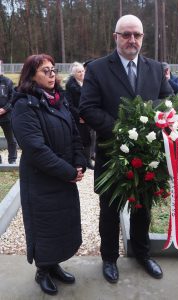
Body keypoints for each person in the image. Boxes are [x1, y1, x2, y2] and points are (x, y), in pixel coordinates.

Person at [79, 14, 173, 284]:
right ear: (115, 37)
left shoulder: (155, 68)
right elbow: (87, 108)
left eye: (137, 35)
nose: (132, 39)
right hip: (112, 155)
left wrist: (154, 127)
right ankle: (109, 259)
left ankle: (143, 254)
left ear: (143, 37)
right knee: (109, 210)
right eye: (126, 34)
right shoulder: (97, 69)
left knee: (143, 209)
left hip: (146, 157)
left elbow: (166, 101)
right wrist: (123, 129)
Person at [11, 54, 86, 296]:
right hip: (41, 180)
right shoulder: (24, 104)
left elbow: (75, 134)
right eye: (45, 71)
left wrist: (79, 162)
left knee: (62, 224)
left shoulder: (58, 100)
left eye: (53, 70)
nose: (52, 74)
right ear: (31, 74)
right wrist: (68, 172)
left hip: (63, 177)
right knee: (45, 227)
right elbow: (36, 149)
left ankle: (54, 264)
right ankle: (43, 270)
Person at [66, 62, 94, 169]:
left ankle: (88, 160)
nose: (82, 73)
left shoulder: (87, 82)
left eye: (83, 71)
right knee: (81, 139)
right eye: (79, 72)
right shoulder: (70, 85)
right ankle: (81, 161)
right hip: (78, 117)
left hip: (89, 115)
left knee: (90, 138)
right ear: (74, 74)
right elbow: (70, 104)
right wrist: (80, 116)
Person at [0, 71, 17, 164]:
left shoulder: (8, 82)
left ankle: (12, 159)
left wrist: (5, 109)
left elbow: (12, 98)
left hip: (7, 116)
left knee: (11, 139)